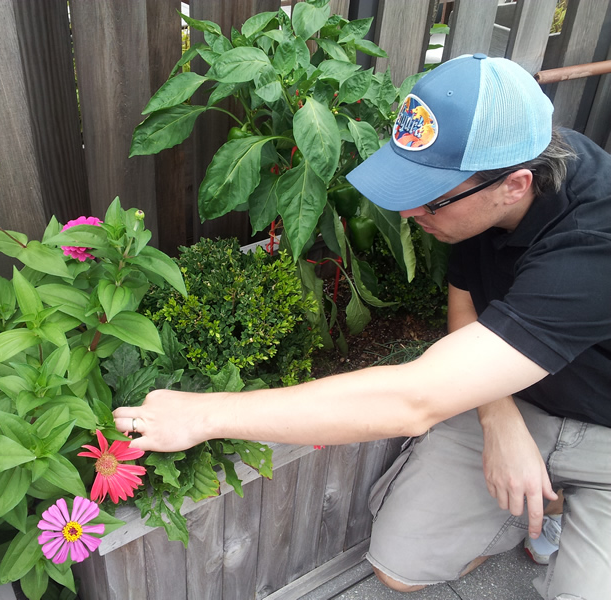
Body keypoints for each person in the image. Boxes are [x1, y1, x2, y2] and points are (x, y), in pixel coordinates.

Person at [113, 54, 611, 600]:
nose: (406, 213)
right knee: (400, 570)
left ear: (514, 185)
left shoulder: (593, 246)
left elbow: (413, 400)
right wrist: (498, 417)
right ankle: (546, 500)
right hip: (517, 393)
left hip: (604, 433)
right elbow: (465, 306)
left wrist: (206, 413)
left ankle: (563, 504)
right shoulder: (494, 183)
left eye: (431, 199)